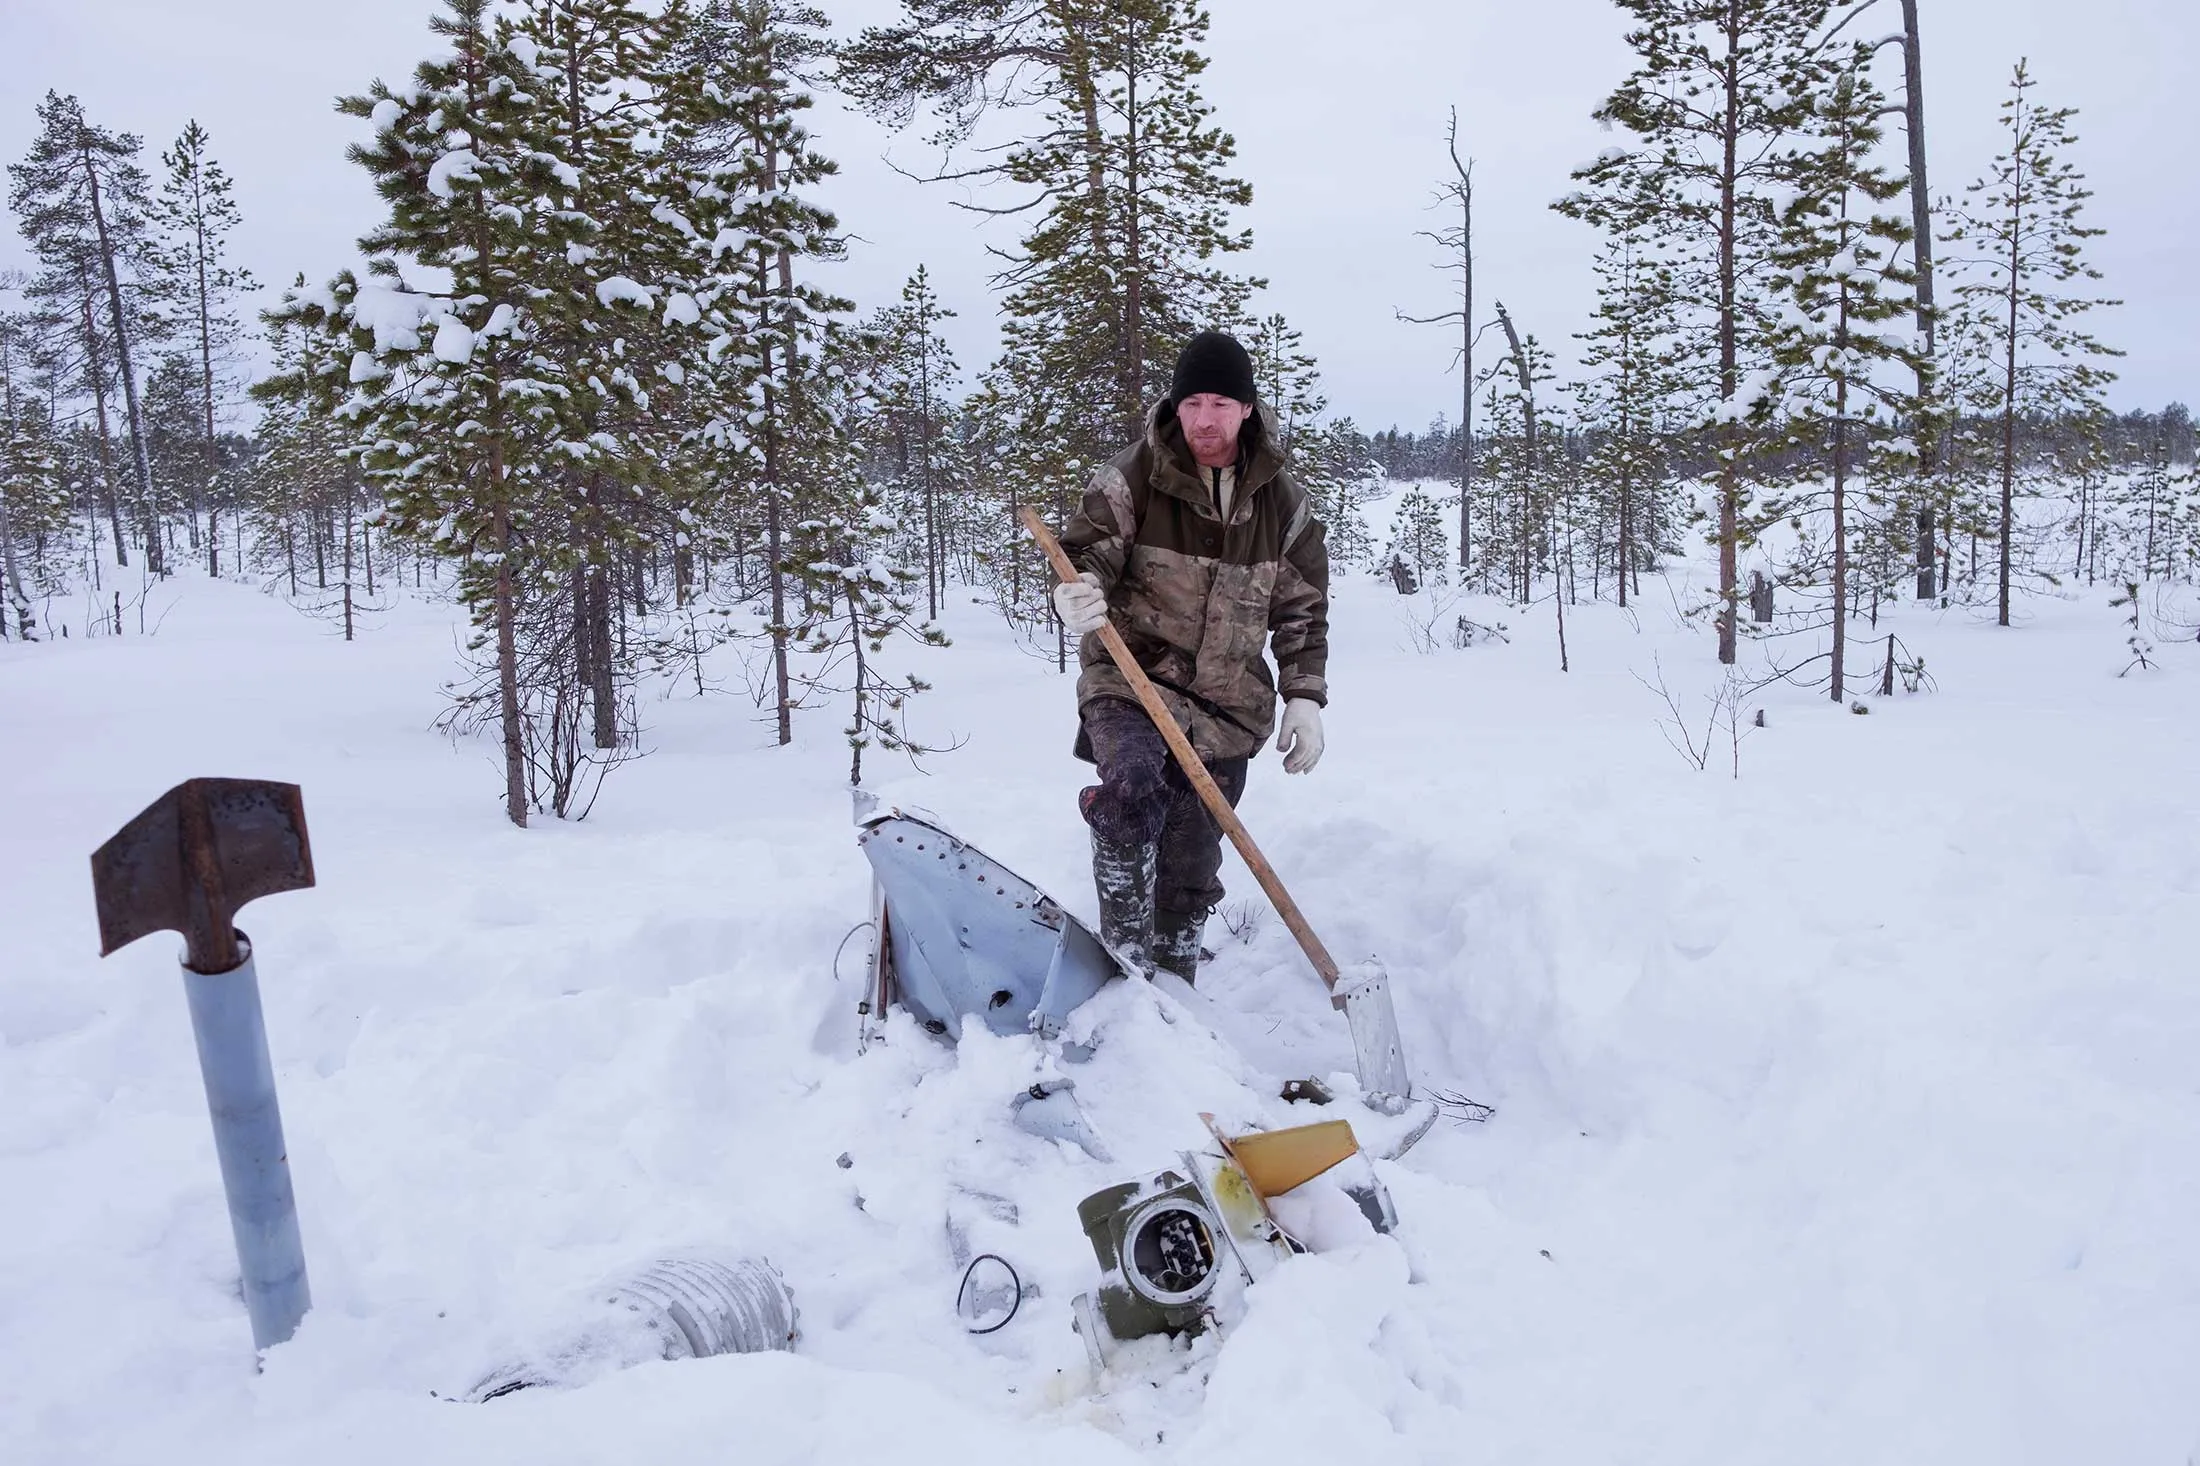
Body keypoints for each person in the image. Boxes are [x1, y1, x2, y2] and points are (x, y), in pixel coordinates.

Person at [1053, 329, 1330, 982]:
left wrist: (1304, 696)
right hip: (1130, 678)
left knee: (1192, 856)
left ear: (1248, 410)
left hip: (1228, 705)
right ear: (1176, 407)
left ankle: (1174, 988)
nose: (1205, 418)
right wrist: (1080, 589)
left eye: (1221, 404)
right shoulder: (1132, 479)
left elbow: (1302, 608)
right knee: (1132, 786)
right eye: (1193, 402)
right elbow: (1086, 553)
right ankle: (1122, 966)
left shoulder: (1284, 505)